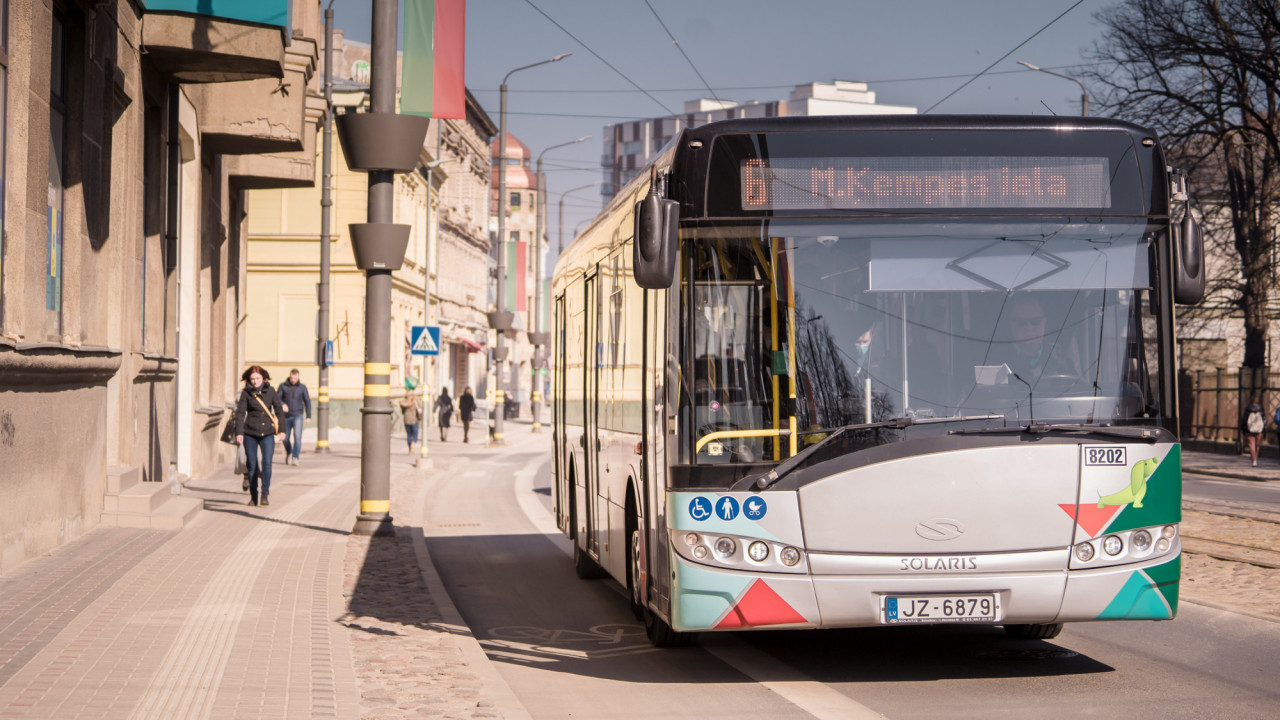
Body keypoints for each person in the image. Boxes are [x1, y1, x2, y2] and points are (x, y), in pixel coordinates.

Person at [235, 365, 285, 507]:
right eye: (252, 379)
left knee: (267, 463)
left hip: (267, 433)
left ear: (263, 378)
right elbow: (240, 413)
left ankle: (265, 493)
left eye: (257, 378)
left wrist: (282, 430)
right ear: (248, 380)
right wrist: (239, 432)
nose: (255, 382)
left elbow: (279, 411)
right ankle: (253, 495)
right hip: (250, 433)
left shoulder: (271, 391)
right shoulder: (246, 394)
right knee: (252, 466)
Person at [278, 369, 311, 466]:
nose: (293, 380)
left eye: (295, 378)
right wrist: (282, 404)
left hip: (298, 415)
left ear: (298, 377)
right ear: (289, 376)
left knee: (297, 437)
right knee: (285, 438)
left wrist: (308, 416)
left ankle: (296, 456)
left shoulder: (302, 387)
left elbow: (307, 401)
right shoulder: (283, 386)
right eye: (292, 378)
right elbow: (277, 398)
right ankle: (289, 453)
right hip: (285, 417)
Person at [1241, 396, 1265, 467]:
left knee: (1252, 444)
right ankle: (1256, 458)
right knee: (1257, 444)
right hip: (1259, 429)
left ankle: (1253, 460)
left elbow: (1244, 420)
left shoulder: (1247, 409)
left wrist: (1243, 428)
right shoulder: (1261, 409)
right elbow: (1264, 420)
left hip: (1249, 429)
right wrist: (1264, 430)